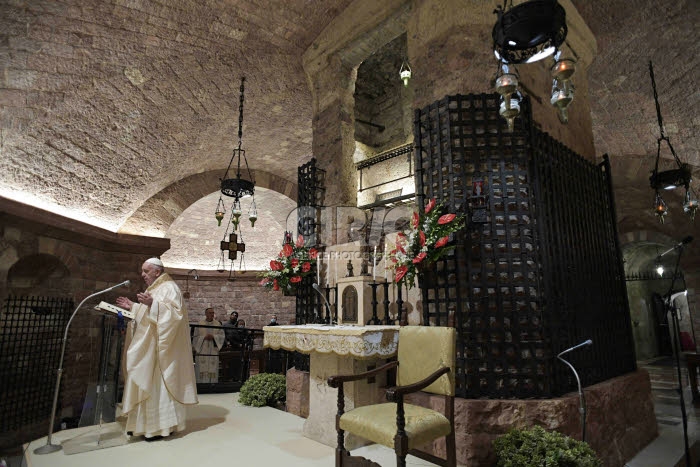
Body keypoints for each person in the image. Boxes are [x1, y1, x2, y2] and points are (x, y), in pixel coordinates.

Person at [116, 257, 198, 440]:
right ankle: (141, 425)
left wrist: (153, 304)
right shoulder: (154, 288)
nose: (142, 274)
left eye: (146, 271)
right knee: (147, 382)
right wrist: (134, 307)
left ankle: (159, 427)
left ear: (157, 272)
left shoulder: (169, 287)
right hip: (150, 348)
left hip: (162, 351)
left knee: (156, 386)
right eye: (142, 271)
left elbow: (175, 316)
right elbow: (148, 316)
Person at [192, 307, 224, 383]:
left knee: (212, 368)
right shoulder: (200, 324)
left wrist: (214, 337)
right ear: (206, 314)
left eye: (213, 313)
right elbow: (195, 337)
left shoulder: (217, 324)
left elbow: (222, 336)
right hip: (202, 349)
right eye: (210, 313)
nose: (212, 314)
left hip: (213, 349)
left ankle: (212, 386)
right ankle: (201, 385)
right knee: (202, 367)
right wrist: (203, 337)